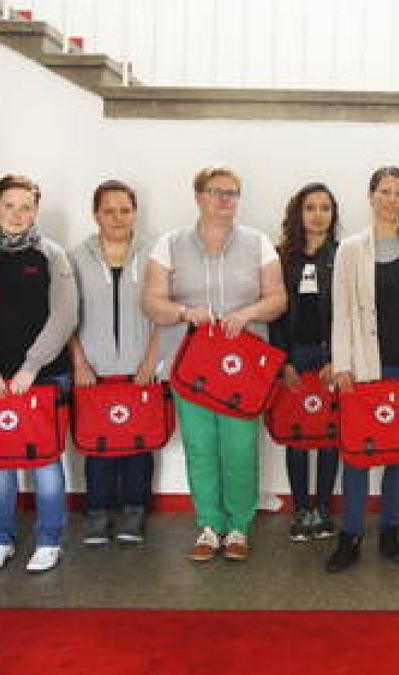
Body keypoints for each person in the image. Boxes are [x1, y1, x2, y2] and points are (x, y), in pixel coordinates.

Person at [142, 166, 287, 563]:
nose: (225, 199)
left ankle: (239, 526)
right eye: (216, 191)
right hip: (190, 367)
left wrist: (247, 313)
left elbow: (278, 299)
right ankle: (209, 526)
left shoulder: (258, 243)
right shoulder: (168, 244)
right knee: (200, 447)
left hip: (243, 372)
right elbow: (151, 302)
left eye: (233, 192)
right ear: (198, 196)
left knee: (240, 447)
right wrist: (185, 312)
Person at [0, 174, 79, 573]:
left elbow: (64, 317)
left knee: (44, 461)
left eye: (26, 207)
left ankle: (48, 540)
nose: (18, 214)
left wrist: (30, 368)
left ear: (36, 211)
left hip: (42, 377)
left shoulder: (52, 255)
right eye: (10, 205)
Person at [325, 166, 399, 572]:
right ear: (371, 195)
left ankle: (391, 530)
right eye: (384, 191)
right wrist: (342, 364)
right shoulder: (350, 249)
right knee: (357, 456)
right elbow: (340, 312)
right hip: (362, 368)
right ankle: (351, 535)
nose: (391, 198)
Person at [70, 180, 161, 546]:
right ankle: (97, 513)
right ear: (95, 215)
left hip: (140, 369)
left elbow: (164, 315)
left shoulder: (156, 254)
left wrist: (151, 361)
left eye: (125, 210)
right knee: (99, 445)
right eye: (109, 210)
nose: (117, 217)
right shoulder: (74, 258)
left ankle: (134, 513)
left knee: (139, 445)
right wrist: (79, 362)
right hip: (94, 372)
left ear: (135, 213)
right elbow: (65, 317)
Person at [269, 183, 341, 543]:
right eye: (310, 207)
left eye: (325, 208)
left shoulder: (342, 256)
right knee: (297, 434)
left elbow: (348, 313)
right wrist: (283, 361)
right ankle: (301, 508)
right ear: (299, 213)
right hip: (295, 353)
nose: (318, 214)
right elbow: (275, 315)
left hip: (330, 355)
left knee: (329, 435)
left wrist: (339, 358)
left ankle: (324, 508)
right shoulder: (282, 258)